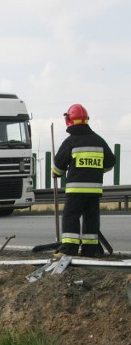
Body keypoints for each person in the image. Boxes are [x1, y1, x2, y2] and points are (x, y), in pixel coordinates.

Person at [52, 103, 115, 257]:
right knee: (91, 218)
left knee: (71, 216)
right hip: (94, 190)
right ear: (86, 119)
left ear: (69, 120)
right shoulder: (99, 140)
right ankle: (90, 250)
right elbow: (110, 162)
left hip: (76, 190)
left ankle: (68, 249)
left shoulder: (71, 141)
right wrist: (96, 170)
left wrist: (56, 173)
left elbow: (58, 166)